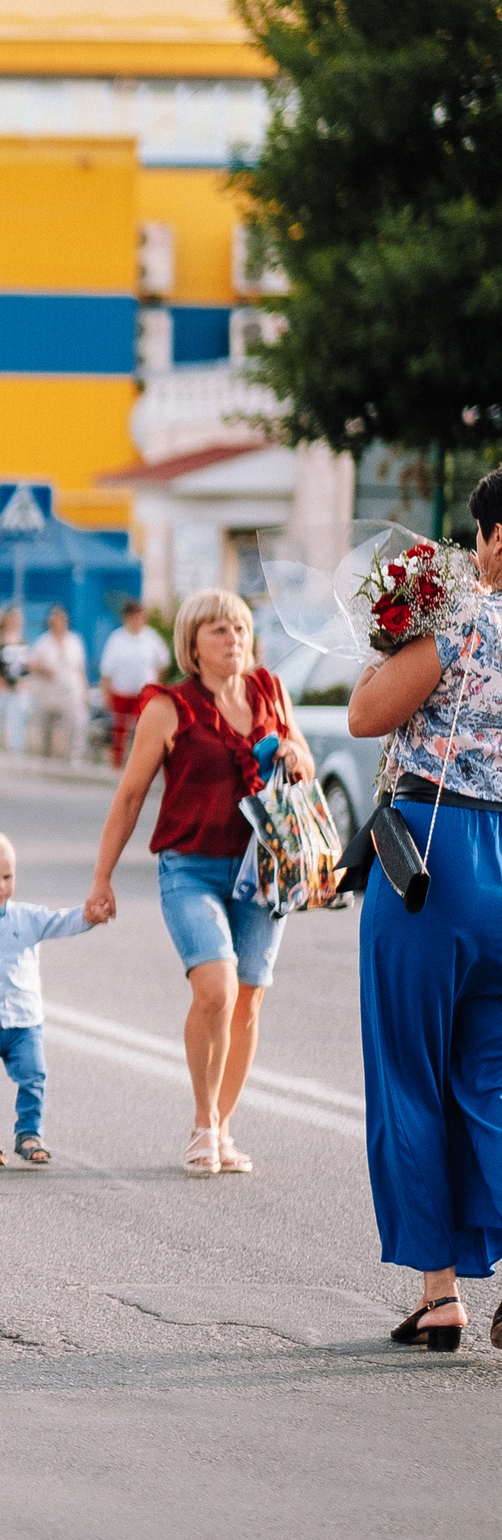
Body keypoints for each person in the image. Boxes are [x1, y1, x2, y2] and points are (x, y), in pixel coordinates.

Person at [346, 472, 502, 1351]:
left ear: (496, 539)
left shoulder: (467, 619)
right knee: (493, 1079)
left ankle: (440, 1294)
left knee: (410, 1074)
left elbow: (370, 713)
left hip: (436, 862)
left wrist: (392, 638)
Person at [86, 588, 314, 1177]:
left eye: (238, 629)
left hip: (263, 870)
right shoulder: (168, 707)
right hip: (189, 868)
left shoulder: (270, 691)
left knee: (250, 998)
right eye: (218, 631)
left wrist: (291, 748)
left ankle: (223, 1126)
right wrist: (102, 878)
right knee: (217, 988)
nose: (233, 640)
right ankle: (201, 1120)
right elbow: (131, 794)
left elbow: (304, 766)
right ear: (192, 644)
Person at [0, 830, 93, 1168]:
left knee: (34, 1075)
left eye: (8, 876)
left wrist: (89, 916)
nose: (0, 885)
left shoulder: (27, 917)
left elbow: (60, 922)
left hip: (24, 1022)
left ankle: (29, 1133)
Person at [99, 600, 171, 766]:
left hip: (143, 694)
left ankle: (143, 764)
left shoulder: (151, 638)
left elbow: (163, 663)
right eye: (133, 616)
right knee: (119, 732)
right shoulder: (116, 639)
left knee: (144, 730)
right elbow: (106, 670)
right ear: (127, 618)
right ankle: (117, 765)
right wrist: (106, 695)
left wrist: (158, 688)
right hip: (122, 692)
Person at [24, 604, 89, 762]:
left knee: (75, 724)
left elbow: (80, 669)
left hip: (70, 693)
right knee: (45, 728)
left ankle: (73, 758)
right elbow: (31, 664)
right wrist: (43, 669)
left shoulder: (74, 641)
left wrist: (84, 690)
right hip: (47, 693)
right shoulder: (42, 642)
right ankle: (45, 758)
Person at [0, 604, 31, 755]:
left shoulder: (20, 639)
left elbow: (23, 666)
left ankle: (17, 753)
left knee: (17, 724)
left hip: (15, 690)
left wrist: (23, 682)